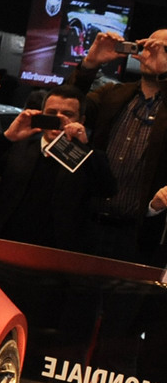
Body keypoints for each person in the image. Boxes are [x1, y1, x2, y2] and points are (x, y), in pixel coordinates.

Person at [0, 86, 115, 254]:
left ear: (81, 120)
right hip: (4, 243)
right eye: (51, 113)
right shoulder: (18, 146)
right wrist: (8, 137)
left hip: (57, 252)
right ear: (42, 115)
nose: (59, 119)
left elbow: (106, 189)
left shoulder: (87, 157)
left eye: (68, 114)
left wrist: (82, 147)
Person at [71, 30, 167, 265]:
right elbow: (68, 106)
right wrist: (89, 64)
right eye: (149, 45)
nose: (153, 52)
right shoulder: (113, 94)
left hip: (138, 235)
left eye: (164, 49)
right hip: (86, 224)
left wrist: (164, 74)